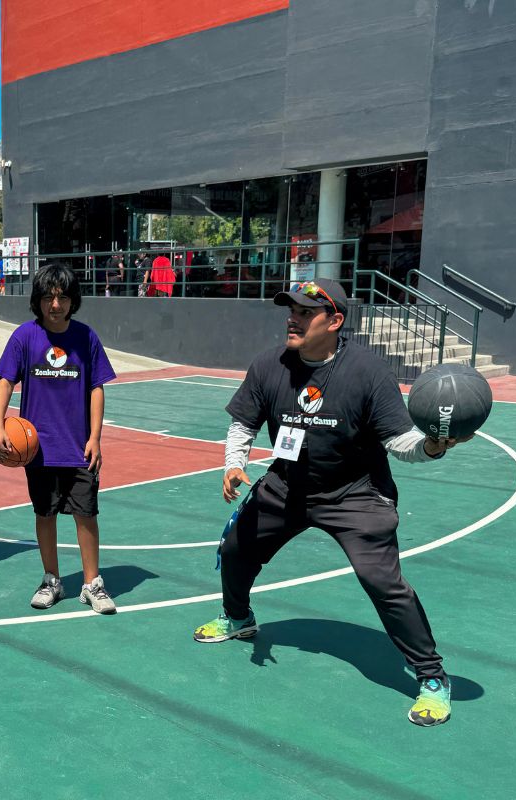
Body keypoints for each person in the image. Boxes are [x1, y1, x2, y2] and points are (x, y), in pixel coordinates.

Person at [194, 278, 469, 727]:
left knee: (382, 582)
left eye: (305, 312)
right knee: (235, 549)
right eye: (292, 310)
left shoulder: (368, 371)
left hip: (355, 493)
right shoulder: (270, 365)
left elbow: (399, 441)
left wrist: (433, 447)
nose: (293, 318)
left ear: (335, 321)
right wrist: (233, 464)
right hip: (287, 484)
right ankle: (239, 617)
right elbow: (243, 423)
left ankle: (432, 676)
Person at [0, 263, 117, 614]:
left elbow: (96, 388)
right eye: (48, 297)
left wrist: (95, 437)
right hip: (39, 450)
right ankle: (52, 580)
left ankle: (93, 583)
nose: (55, 304)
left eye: (62, 297)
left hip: (79, 448)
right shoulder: (24, 337)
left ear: (73, 300)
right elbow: (4, 381)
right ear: (38, 300)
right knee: (44, 514)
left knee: (86, 515)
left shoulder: (86, 337)